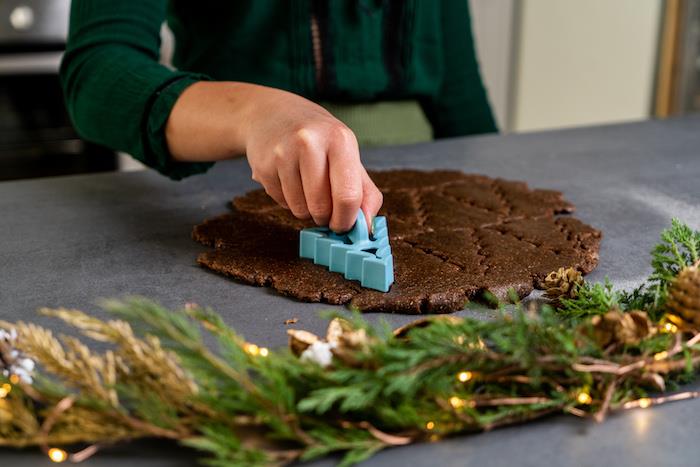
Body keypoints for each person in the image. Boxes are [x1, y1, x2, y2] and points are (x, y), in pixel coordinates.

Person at [60, 1, 497, 233]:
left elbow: (459, 92)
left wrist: (492, 192)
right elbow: (97, 71)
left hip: (429, 173)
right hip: (233, 173)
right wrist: (254, 113)